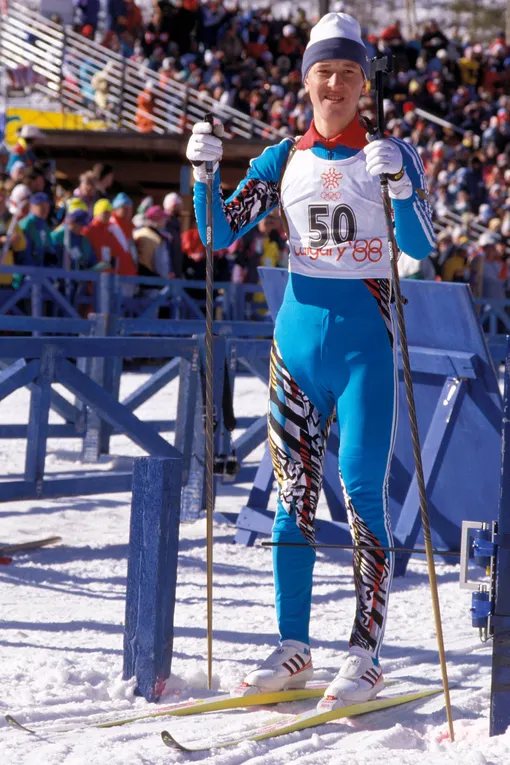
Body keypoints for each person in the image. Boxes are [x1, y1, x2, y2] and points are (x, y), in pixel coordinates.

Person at [186, 12, 435, 710]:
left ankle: (366, 651)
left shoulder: (388, 153)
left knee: (360, 491)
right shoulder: (280, 158)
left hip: (364, 348)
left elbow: (421, 245)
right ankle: (292, 644)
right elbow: (215, 234)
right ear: (306, 83)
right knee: (291, 497)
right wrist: (202, 171)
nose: (335, 83)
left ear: (363, 86)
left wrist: (406, 187)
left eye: (348, 73)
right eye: (324, 72)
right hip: (295, 344)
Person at [163, 192, 184, 278]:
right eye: (176, 206)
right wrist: (170, 269)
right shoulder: (165, 224)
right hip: (168, 271)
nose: (179, 209)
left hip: (175, 270)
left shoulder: (176, 224)